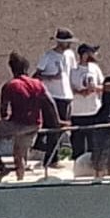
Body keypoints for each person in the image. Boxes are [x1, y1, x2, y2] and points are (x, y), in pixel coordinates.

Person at [0, 53, 49, 181]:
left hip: (18, 124)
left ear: (12, 68)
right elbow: (49, 103)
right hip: (35, 124)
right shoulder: (37, 83)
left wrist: (5, 122)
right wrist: (57, 121)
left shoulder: (10, 85)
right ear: (26, 68)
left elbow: (3, 108)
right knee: (20, 150)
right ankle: (20, 176)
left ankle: (0, 164)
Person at [36, 28, 77, 166]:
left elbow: (72, 72)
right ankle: (51, 159)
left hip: (66, 95)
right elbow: (37, 75)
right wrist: (51, 77)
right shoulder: (48, 56)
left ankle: (54, 154)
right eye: (67, 42)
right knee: (54, 127)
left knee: (62, 128)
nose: (69, 45)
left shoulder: (70, 55)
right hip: (52, 95)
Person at [69, 43, 104, 162]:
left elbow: (103, 86)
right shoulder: (73, 70)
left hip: (93, 111)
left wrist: (94, 89)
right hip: (77, 112)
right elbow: (68, 88)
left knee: (93, 144)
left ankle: (93, 168)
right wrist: (80, 92)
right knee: (77, 145)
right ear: (84, 54)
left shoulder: (95, 68)